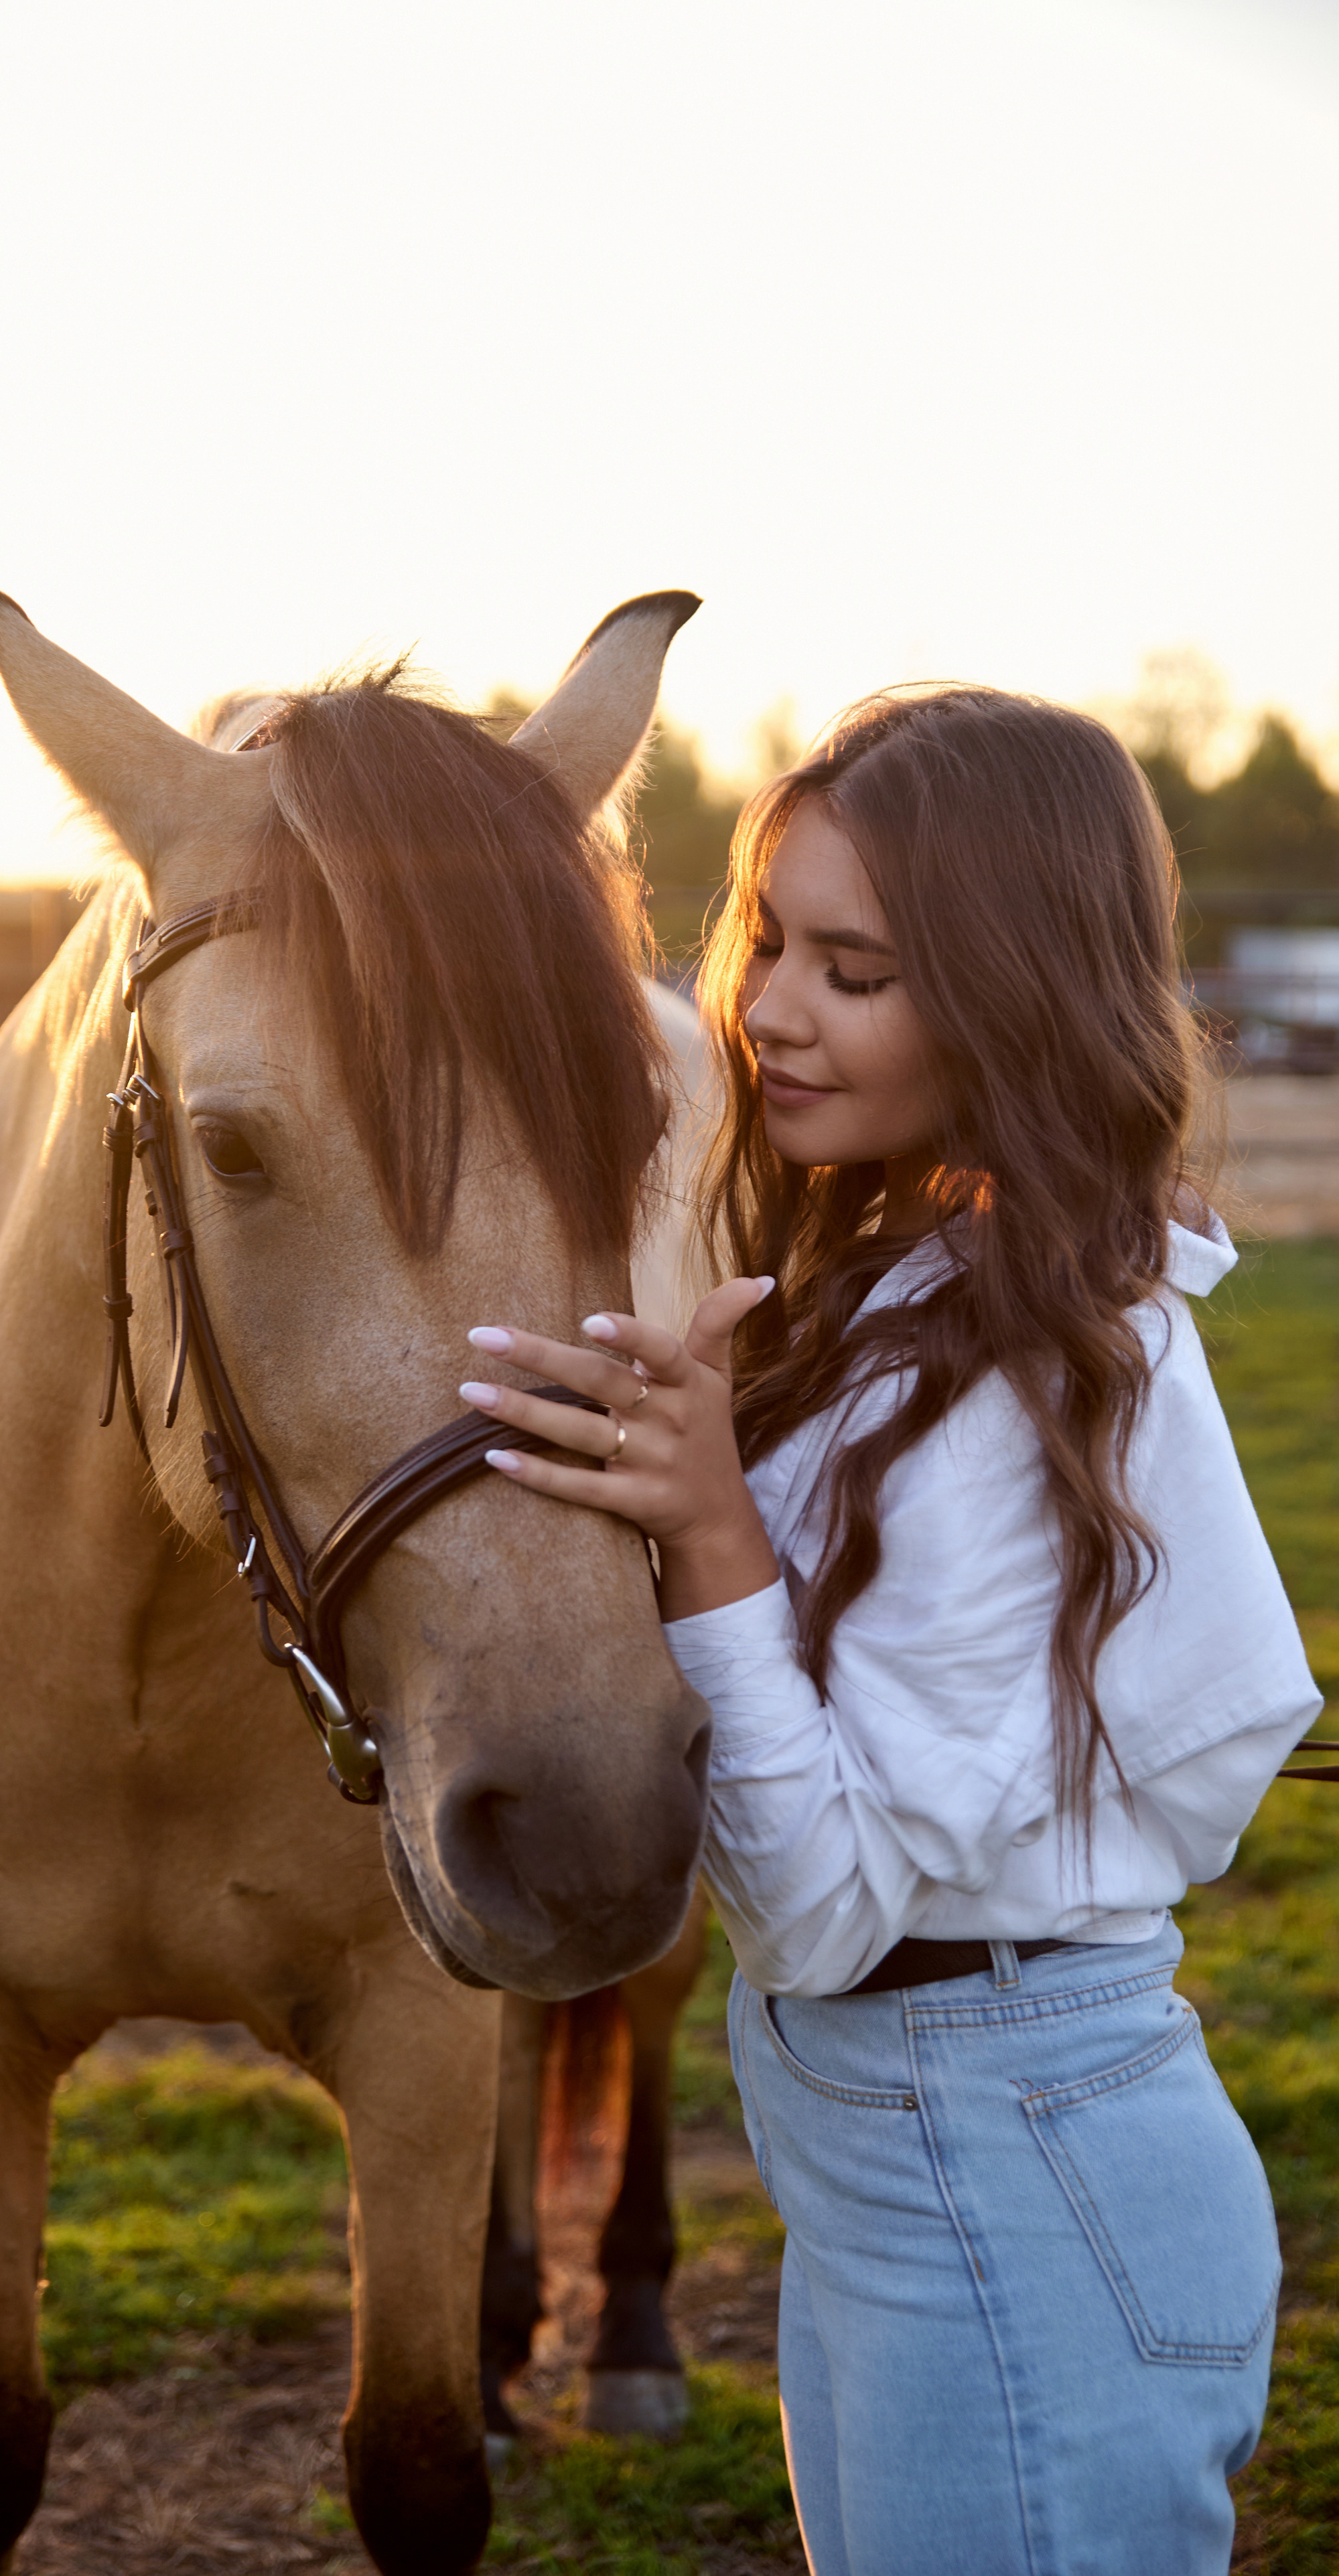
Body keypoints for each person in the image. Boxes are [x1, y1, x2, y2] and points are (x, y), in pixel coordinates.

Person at [455, 686, 1320, 2576]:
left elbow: (831, 1911)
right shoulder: (896, 1298)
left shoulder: (1029, 1380)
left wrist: (706, 1534)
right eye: (772, 940)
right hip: (921, 2165)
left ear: (1010, 997)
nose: (766, 1011)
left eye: (856, 970)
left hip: (1011, 2178)